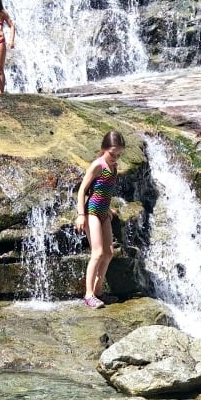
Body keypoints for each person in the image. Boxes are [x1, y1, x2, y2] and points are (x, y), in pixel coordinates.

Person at [75, 130, 125, 308]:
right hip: (92, 212)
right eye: (112, 154)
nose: (115, 158)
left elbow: (105, 190)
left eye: (119, 155)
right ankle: (88, 294)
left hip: (104, 212)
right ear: (104, 148)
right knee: (97, 253)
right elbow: (82, 190)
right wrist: (81, 215)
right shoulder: (98, 165)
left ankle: (98, 292)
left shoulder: (114, 167)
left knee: (109, 253)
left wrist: (109, 208)